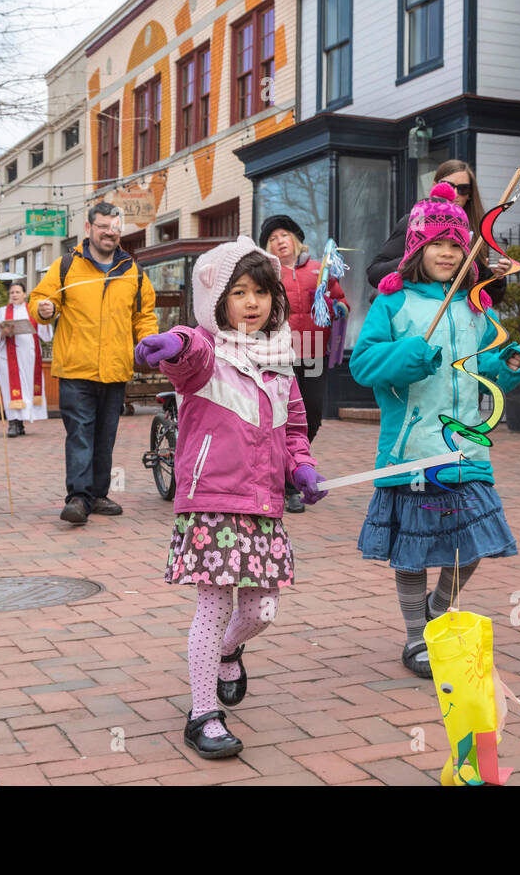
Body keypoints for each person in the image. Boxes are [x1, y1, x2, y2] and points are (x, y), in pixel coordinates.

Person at [134, 235, 328, 759]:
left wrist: (303, 468)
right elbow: (188, 353)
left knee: (262, 611)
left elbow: (294, 432)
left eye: (261, 293)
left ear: (275, 301)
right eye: (238, 292)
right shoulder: (205, 353)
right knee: (214, 607)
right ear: (216, 301)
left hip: (263, 507)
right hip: (212, 504)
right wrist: (173, 344)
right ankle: (203, 714)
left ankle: (225, 654)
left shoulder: (281, 362)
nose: (250, 303)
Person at [350, 182, 520, 678]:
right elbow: (364, 365)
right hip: (411, 448)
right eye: (437, 243)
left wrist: (510, 364)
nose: (448, 253)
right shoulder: (393, 303)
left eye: (456, 244)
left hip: (467, 447)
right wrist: (406, 357)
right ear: (417, 248)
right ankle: (416, 639)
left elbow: (486, 367)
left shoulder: (477, 305)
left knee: (474, 540)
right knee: (413, 549)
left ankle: (437, 609)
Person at [29, 202, 158, 525]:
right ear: (88, 228)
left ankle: (98, 494)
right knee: (81, 434)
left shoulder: (133, 271)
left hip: (115, 369)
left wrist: (151, 343)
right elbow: (40, 300)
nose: (109, 233)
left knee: (105, 436)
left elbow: (144, 316)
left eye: (115, 228)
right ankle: (78, 497)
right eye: (103, 226)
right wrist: (43, 309)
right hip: (76, 368)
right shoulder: (66, 266)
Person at [258, 214, 349, 513]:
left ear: (295, 239)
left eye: (283, 235)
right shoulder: (267, 275)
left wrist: (338, 307)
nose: (279, 241)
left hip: (313, 351)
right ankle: (288, 486)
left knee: (312, 416)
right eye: (272, 239)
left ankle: (290, 467)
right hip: (279, 353)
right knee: (282, 417)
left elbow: (342, 301)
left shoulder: (319, 271)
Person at [366, 160, 511, 302]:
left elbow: (494, 298)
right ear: (435, 186)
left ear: (470, 194)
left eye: (463, 189)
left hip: (462, 317)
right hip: (418, 314)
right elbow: (375, 274)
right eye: (447, 186)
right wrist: (415, 258)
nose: (454, 193)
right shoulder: (417, 221)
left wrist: (496, 277)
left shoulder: (481, 232)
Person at [0, 281, 54, 437]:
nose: (14, 295)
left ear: (24, 294)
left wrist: (46, 320)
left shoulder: (32, 310)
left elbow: (46, 335)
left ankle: (22, 421)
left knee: (27, 389)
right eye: (12, 292)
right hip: (8, 357)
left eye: (17, 292)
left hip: (29, 357)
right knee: (9, 389)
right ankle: (13, 423)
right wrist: (3, 333)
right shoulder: (2, 311)